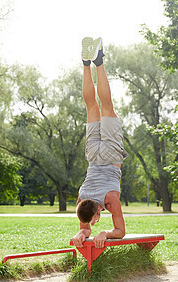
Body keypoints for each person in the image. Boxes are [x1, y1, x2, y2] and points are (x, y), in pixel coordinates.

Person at [72, 37, 128, 249]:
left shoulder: (110, 200)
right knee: (91, 108)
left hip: (111, 156)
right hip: (93, 156)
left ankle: (98, 60)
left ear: (97, 210)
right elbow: (85, 227)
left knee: (106, 106)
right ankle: (86, 64)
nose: (94, 224)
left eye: (95, 220)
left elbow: (120, 232)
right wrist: (81, 232)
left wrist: (105, 232)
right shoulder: (81, 200)